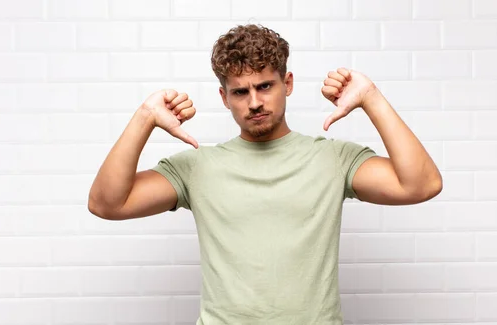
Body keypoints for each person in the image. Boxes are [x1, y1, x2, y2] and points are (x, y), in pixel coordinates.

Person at [88, 24, 442, 324]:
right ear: (224, 97)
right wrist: (145, 117)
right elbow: (107, 204)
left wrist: (371, 97)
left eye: (265, 86)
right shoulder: (196, 167)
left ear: (287, 83)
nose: (254, 102)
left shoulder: (333, 158)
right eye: (240, 92)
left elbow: (422, 184)